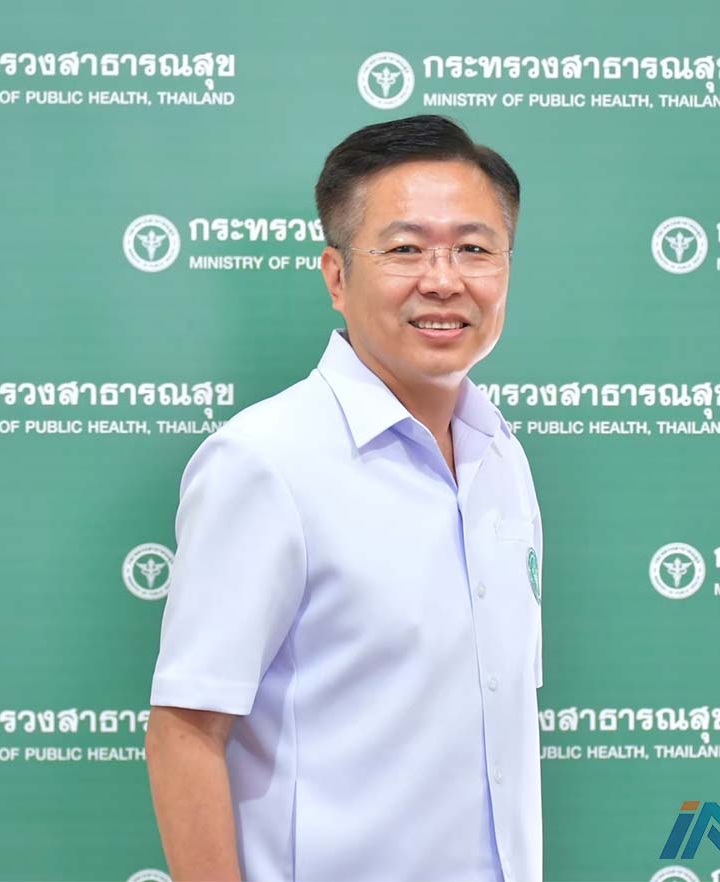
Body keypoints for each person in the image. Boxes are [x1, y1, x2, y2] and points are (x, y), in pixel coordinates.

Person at [145, 114, 544, 882]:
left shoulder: (501, 457)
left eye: (474, 248)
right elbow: (186, 732)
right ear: (336, 276)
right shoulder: (266, 461)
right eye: (405, 249)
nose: (443, 279)